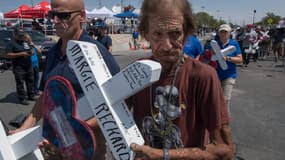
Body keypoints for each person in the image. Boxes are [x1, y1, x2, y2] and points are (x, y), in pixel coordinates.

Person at [10, 0, 120, 159]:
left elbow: (117, 102)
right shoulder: (53, 52)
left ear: (82, 16)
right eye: (52, 14)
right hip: (54, 143)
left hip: (88, 145)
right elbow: (45, 97)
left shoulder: (97, 52)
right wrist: (24, 128)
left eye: (63, 16)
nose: (55, 21)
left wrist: (75, 128)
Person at [127, 0, 234, 159]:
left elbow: (225, 150)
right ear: (146, 33)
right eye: (157, 34)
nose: (166, 46)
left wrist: (161, 155)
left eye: (175, 33)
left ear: (186, 33)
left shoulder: (203, 76)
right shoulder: (135, 71)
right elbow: (108, 117)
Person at [214, 24, 243, 114]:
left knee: (225, 100)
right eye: (221, 32)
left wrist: (228, 58)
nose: (223, 34)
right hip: (216, 76)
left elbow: (240, 59)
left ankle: (225, 123)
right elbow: (207, 57)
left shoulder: (234, 44)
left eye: (225, 32)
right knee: (215, 100)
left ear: (229, 33)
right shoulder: (214, 44)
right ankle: (217, 119)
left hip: (229, 76)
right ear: (218, 33)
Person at [6, 29, 35, 105]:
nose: (21, 36)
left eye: (22, 34)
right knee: (20, 83)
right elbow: (8, 54)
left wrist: (31, 52)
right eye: (19, 35)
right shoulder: (11, 43)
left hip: (28, 65)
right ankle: (22, 99)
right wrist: (21, 54)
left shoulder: (25, 42)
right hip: (18, 67)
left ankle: (31, 95)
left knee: (30, 81)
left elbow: (30, 49)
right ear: (15, 35)